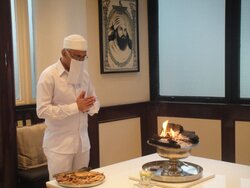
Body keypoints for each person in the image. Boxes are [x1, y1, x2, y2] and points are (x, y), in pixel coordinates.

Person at [36, 34, 100, 180]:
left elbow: (96, 103)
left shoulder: (84, 76)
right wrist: (75, 107)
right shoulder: (49, 75)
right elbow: (42, 110)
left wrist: (87, 107)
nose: (80, 61)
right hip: (59, 146)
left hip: (82, 144)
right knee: (60, 185)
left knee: (83, 182)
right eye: (77, 57)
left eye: (84, 57)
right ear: (64, 52)